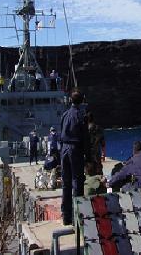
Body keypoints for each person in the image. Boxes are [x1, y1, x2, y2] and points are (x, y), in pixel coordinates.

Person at [60, 89, 90, 225]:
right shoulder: (80, 116)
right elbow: (85, 138)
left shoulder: (65, 115)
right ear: (81, 100)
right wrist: (88, 157)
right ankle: (77, 217)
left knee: (66, 184)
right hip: (75, 149)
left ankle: (66, 216)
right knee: (77, 182)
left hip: (64, 149)